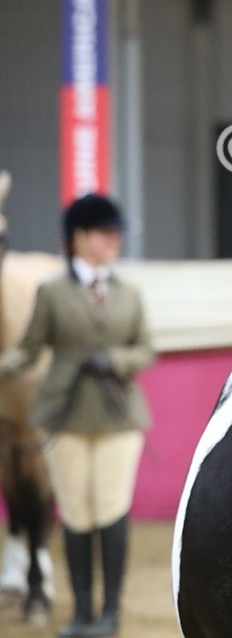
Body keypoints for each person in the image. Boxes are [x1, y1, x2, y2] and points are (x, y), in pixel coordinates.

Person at [0, 194, 155, 638]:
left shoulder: (128, 294)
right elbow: (26, 352)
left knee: (110, 510)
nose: (114, 240)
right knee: (75, 513)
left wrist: (117, 361)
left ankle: (109, 613)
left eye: (115, 232)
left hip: (115, 417)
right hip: (65, 416)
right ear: (81, 239)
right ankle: (83, 611)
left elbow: (145, 349)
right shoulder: (51, 293)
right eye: (105, 233)